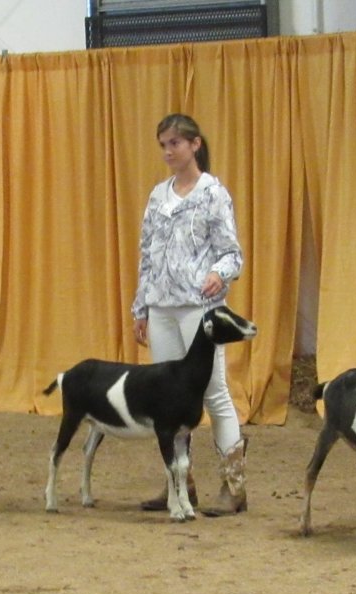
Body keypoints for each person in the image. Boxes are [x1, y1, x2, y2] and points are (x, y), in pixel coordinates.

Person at [130, 113, 248, 515]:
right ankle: (179, 483)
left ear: (194, 145)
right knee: (167, 400)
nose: (167, 151)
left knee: (214, 394)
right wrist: (141, 307)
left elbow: (233, 252)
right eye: (163, 144)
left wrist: (219, 273)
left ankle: (234, 486)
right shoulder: (156, 196)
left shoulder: (214, 193)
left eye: (174, 144)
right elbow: (146, 255)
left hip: (200, 310)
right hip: (161, 306)